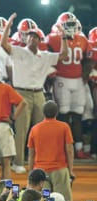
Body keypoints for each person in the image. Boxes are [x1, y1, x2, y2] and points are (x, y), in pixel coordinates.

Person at [0, 13, 68, 173]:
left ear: (40, 40)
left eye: (35, 36)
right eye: (30, 36)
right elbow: (4, 44)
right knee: (21, 129)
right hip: (21, 93)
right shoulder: (18, 51)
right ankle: (18, 162)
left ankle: (41, 161)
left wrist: (64, 38)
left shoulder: (44, 55)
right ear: (26, 38)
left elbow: (63, 55)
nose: (32, 39)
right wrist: (8, 26)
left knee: (42, 129)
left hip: (39, 93)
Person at [47, 12, 95, 159]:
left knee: (78, 115)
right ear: (60, 26)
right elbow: (47, 55)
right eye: (67, 25)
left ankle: (79, 148)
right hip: (62, 79)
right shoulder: (53, 39)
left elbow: (89, 59)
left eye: (73, 25)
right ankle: (62, 147)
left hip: (78, 80)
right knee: (63, 114)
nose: (71, 28)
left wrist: (86, 74)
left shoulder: (82, 39)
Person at [27, 100, 74, 201]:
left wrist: (31, 173)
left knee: (43, 200)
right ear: (56, 113)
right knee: (62, 200)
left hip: (40, 172)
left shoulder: (35, 129)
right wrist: (70, 170)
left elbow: (31, 154)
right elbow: (69, 150)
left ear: (43, 113)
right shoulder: (64, 127)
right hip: (60, 170)